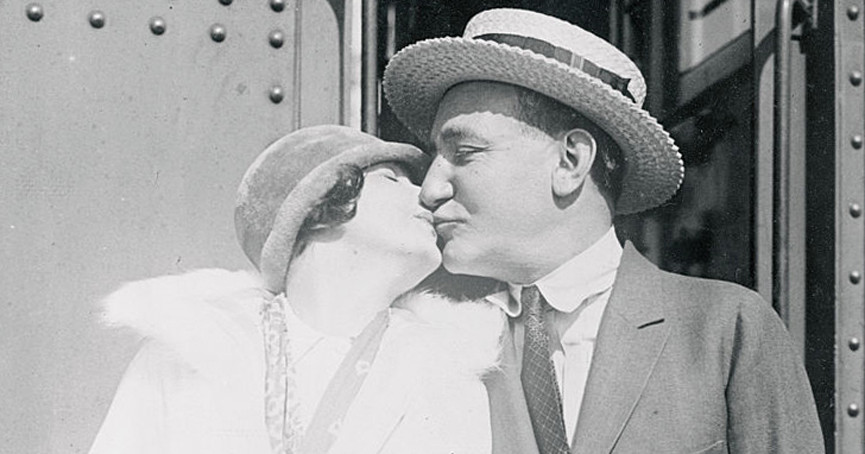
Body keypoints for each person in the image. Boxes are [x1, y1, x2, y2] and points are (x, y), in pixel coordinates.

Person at [383, 8, 824, 454]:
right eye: (435, 157)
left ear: (570, 161)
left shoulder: (725, 329)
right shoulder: (424, 340)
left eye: (465, 152)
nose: (430, 189)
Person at [88, 125, 505, 454]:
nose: (427, 196)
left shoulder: (449, 374)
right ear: (319, 207)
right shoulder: (190, 350)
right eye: (392, 180)